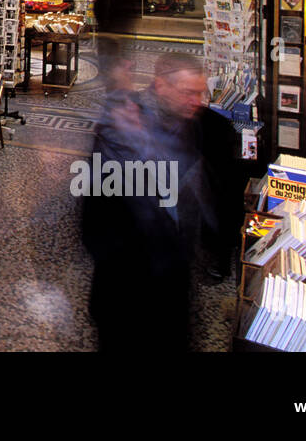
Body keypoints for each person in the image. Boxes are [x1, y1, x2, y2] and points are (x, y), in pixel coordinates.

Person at [82, 51, 229, 350]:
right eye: (187, 92)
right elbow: (95, 216)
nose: (196, 101)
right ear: (161, 86)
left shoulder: (201, 126)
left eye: (199, 93)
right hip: (126, 291)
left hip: (172, 286)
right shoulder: (120, 127)